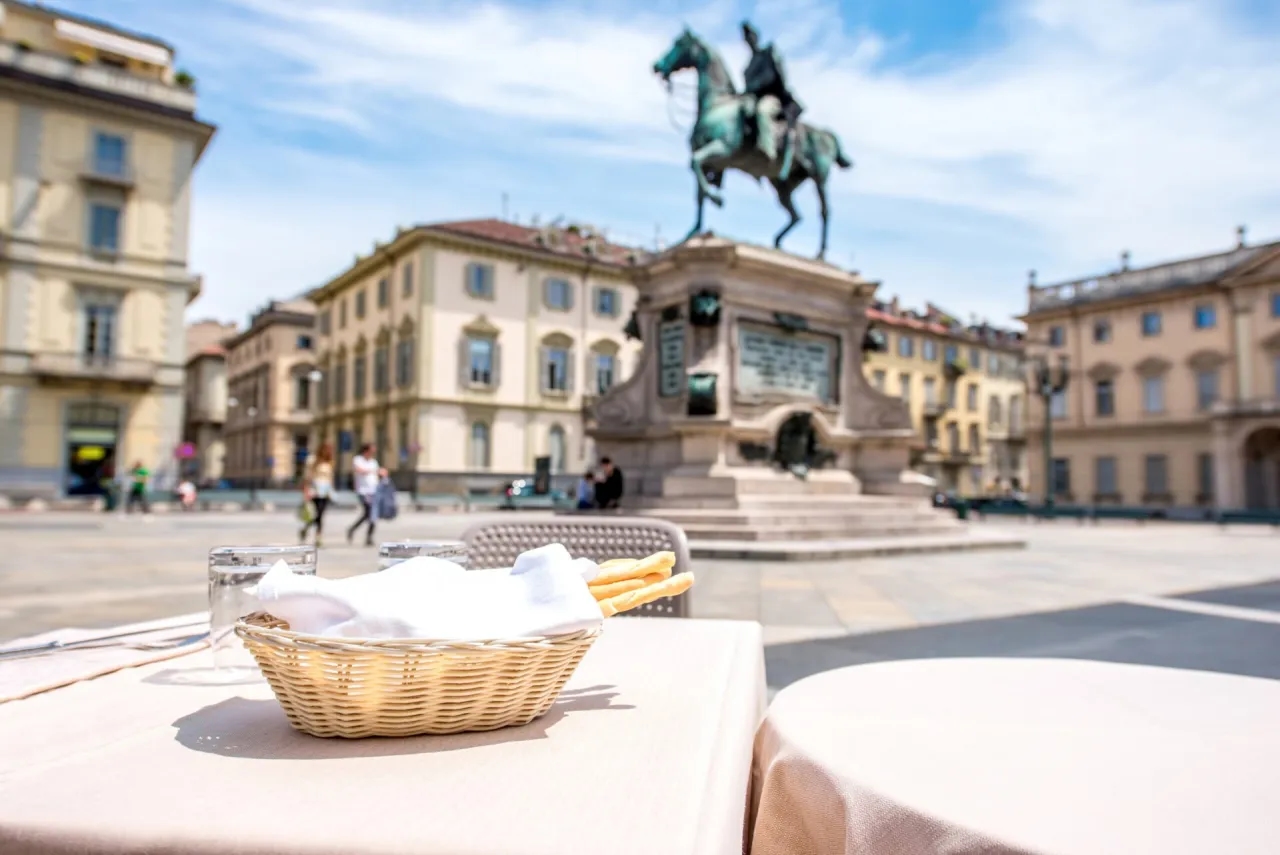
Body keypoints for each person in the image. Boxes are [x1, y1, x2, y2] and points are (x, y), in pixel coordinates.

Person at [741, 20, 804, 181]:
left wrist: (758, 85)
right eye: (746, 37)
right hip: (752, 99)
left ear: (756, 37)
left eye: (751, 35)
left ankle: (767, 150)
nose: (749, 39)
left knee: (762, 111)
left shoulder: (768, 52)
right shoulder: (748, 67)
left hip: (772, 98)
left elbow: (777, 76)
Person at [300, 442, 335, 546]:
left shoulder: (329, 462)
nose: (328, 452)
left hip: (325, 492)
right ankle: (306, 529)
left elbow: (330, 478)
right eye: (327, 449)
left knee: (321, 515)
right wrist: (306, 491)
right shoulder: (312, 460)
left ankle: (318, 537)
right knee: (314, 514)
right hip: (315, 491)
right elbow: (307, 477)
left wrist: (331, 491)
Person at [347, 443, 380, 546]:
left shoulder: (373, 462)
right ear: (366, 451)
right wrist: (371, 471)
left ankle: (368, 536)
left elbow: (377, 473)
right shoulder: (358, 460)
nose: (373, 453)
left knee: (372, 514)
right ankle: (353, 529)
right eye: (371, 451)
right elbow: (359, 470)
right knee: (369, 512)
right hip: (362, 491)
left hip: (373, 490)